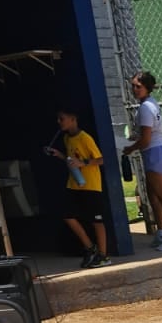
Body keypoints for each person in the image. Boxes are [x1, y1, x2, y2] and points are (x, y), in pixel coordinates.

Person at [123, 71, 162, 251]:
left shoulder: (146, 107)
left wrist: (130, 148)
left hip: (155, 154)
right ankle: (160, 234)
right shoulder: (149, 104)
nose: (134, 89)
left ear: (147, 87)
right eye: (133, 86)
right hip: (153, 154)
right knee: (153, 196)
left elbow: (146, 139)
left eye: (138, 86)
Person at [47, 108, 107, 268]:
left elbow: (100, 159)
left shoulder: (85, 138)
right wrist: (60, 155)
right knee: (68, 215)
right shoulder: (67, 138)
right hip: (74, 184)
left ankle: (103, 254)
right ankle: (89, 247)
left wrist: (84, 163)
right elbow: (71, 159)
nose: (59, 122)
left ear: (73, 119)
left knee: (97, 220)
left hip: (90, 185)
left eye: (62, 118)